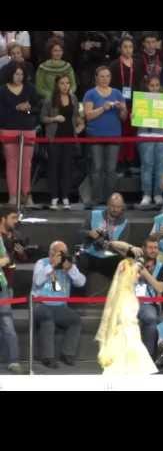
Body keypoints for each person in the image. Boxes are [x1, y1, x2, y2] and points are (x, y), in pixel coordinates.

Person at [95, 258, 159, 375]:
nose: (138, 275)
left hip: (132, 334)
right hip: (125, 337)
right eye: (136, 272)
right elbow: (121, 319)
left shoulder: (128, 292)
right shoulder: (123, 295)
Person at [32, 241, 86, 369]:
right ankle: (47, 357)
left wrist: (71, 269)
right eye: (58, 253)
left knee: (75, 320)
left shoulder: (68, 265)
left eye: (64, 253)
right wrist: (51, 265)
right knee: (48, 318)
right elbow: (37, 281)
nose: (62, 256)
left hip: (61, 306)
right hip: (41, 304)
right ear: (51, 253)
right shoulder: (42, 263)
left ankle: (67, 353)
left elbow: (81, 282)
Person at [83, 66, 128, 206]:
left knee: (111, 169)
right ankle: (95, 199)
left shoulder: (117, 93)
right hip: (95, 135)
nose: (105, 79)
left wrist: (122, 109)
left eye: (107, 76)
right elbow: (88, 116)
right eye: (102, 76)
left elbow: (124, 118)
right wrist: (103, 108)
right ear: (96, 77)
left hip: (114, 135)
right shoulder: (90, 94)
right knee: (97, 168)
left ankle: (111, 200)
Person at [40, 74, 84, 210]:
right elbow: (42, 118)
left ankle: (65, 197)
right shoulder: (49, 100)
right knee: (54, 168)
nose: (65, 86)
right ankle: (54, 197)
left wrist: (80, 125)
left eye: (67, 83)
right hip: (55, 138)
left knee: (67, 168)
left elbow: (77, 116)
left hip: (69, 137)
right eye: (62, 83)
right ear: (57, 85)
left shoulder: (74, 98)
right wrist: (54, 118)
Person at [0, 62, 41, 206]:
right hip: (8, 129)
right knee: (12, 163)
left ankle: (26, 194)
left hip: (28, 128)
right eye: (17, 74)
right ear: (10, 74)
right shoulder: (2, 91)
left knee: (27, 164)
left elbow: (37, 108)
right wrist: (16, 108)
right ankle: (13, 195)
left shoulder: (30, 89)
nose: (19, 77)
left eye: (22, 74)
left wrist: (28, 109)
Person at [79, 193, 131, 297]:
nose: (115, 209)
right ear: (107, 205)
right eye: (112, 206)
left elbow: (122, 247)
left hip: (110, 257)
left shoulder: (125, 223)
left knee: (124, 263)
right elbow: (80, 232)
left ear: (122, 208)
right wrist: (90, 233)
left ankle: (119, 297)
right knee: (81, 260)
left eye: (118, 207)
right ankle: (81, 297)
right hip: (91, 254)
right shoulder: (93, 215)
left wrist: (106, 243)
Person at [108, 36, 144, 169]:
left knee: (132, 131)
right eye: (125, 47)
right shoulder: (114, 65)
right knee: (120, 131)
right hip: (119, 102)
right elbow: (110, 86)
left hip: (136, 102)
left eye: (130, 47)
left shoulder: (139, 63)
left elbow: (141, 84)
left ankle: (130, 159)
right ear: (120, 49)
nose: (128, 50)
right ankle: (120, 160)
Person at [135, 76, 163, 207]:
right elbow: (136, 119)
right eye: (152, 85)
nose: (154, 88)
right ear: (147, 87)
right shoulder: (141, 100)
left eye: (157, 85)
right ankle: (146, 194)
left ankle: (157, 194)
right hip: (145, 134)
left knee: (161, 166)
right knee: (147, 165)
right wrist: (135, 115)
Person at [134, 237, 163, 358]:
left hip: (148, 303)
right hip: (130, 301)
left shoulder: (161, 267)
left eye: (156, 248)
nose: (153, 250)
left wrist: (145, 274)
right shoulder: (132, 263)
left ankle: (148, 358)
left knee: (150, 318)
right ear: (143, 249)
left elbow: (160, 288)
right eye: (150, 247)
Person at [0, 214, 20, 373]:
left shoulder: (10, 237)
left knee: (6, 321)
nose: (16, 221)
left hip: (4, 286)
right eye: (13, 217)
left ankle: (13, 360)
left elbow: (7, 260)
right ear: (3, 218)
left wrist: (18, 251)